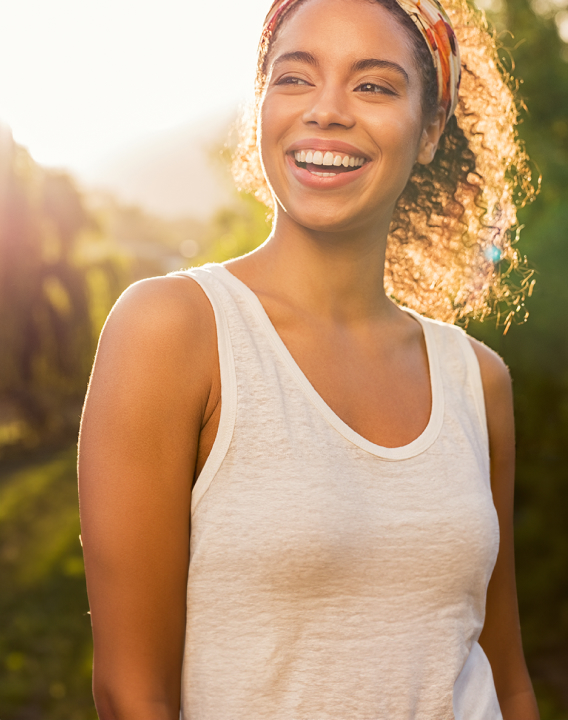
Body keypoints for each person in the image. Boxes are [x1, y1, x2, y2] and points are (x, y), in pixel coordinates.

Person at [78, 0, 540, 717]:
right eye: (294, 78)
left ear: (431, 130)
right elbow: (131, 693)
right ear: (263, 103)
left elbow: (505, 677)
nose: (326, 111)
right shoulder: (173, 330)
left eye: (374, 85)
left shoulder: (477, 380)